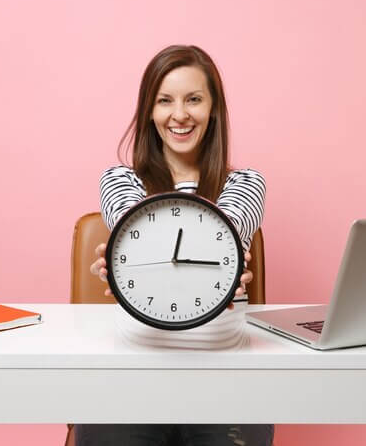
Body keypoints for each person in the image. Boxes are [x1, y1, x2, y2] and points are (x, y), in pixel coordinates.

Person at [78, 44, 273, 446]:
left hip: (226, 384)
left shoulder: (246, 184)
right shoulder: (119, 181)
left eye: (194, 99)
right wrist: (214, 266)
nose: (179, 114)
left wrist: (134, 260)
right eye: (165, 100)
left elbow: (228, 230)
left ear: (213, 109)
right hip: (134, 380)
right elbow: (136, 225)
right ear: (149, 111)